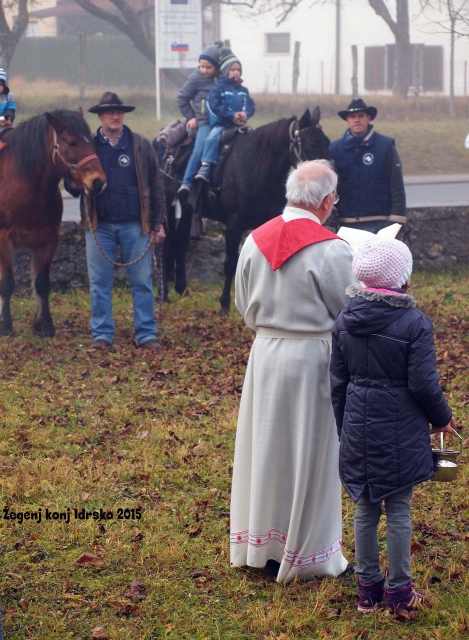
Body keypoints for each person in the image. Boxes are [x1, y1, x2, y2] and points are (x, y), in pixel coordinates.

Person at [230, 159, 357, 583]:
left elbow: (242, 301)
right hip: (313, 357)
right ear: (325, 201)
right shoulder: (331, 248)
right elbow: (348, 310)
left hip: (265, 352)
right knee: (312, 453)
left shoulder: (254, 240)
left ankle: (264, 547)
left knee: (267, 451)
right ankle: (312, 555)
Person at [330, 236, 455, 618]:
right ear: (402, 278)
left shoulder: (345, 319)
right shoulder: (414, 322)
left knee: (365, 509)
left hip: (357, 427)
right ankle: (400, 591)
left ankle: (368, 591)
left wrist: (345, 426)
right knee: (399, 509)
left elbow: (337, 381)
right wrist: (443, 416)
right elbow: (422, 383)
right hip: (400, 429)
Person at [68, 91, 166, 350]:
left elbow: (156, 185)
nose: (115, 116)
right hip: (99, 226)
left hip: (136, 224)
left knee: (142, 282)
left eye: (119, 111)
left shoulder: (140, 144)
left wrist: (159, 222)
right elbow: (73, 186)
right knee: (99, 284)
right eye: (110, 112)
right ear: (99, 116)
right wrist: (73, 179)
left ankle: (146, 334)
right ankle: (102, 336)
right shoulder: (87, 146)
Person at [330, 98, 406, 232]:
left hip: (379, 223)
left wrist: (397, 218)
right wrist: (331, 209)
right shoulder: (335, 149)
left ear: (369, 118)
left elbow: (396, 184)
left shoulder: (386, 146)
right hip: (345, 224)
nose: (356, 120)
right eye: (352, 116)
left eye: (361, 116)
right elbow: (330, 186)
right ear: (347, 120)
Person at [194, 48, 255, 183]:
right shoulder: (219, 88)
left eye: (238, 70)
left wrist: (245, 113)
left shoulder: (244, 90)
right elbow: (216, 105)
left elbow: (250, 105)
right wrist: (231, 115)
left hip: (240, 124)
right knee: (211, 138)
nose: (236, 72)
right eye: (233, 70)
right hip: (223, 125)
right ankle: (206, 166)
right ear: (226, 72)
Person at [176, 40, 223, 199]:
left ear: (217, 67)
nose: (204, 70)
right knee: (199, 148)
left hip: (224, 121)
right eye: (202, 66)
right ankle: (187, 183)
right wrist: (191, 116)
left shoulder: (223, 78)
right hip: (205, 122)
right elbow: (182, 97)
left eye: (208, 67)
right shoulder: (196, 78)